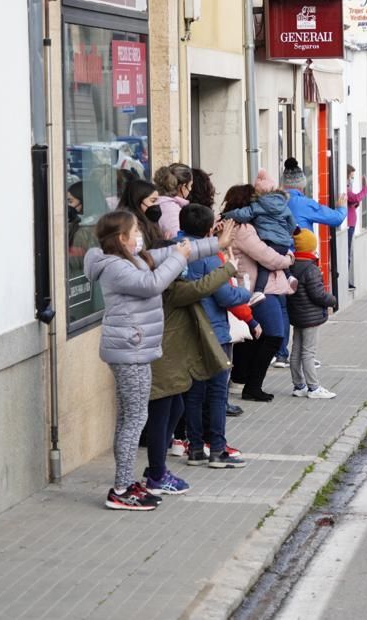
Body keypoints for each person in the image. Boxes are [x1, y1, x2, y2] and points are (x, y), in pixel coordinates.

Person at [83, 209, 220, 511]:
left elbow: (172, 251)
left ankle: (125, 482)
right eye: (135, 232)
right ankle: (121, 488)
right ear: (121, 238)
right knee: (135, 420)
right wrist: (180, 258)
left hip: (136, 348)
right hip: (130, 351)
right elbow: (153, 284)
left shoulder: (131, 260)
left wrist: (216, 244)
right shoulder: (116, 267)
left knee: (129, 419)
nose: (140, 237)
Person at [145, 220, 239, 495]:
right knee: (162, 417)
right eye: (179, 259)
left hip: (171, 362)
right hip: (165, 363)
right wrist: (228, 268)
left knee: (175, 410)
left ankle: (158, 469)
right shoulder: (171, 290)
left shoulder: (168, 286)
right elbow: (201, 287)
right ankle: (156, 472)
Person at [178, 204, 251, 469]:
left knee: (195, 392)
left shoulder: (175, 248)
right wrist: (246, 295)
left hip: (187, 330)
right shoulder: (210, 256)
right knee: (218, 393)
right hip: (215, 331)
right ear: (210, 228)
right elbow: (225, 295)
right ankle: (218, 450)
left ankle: (195, 448)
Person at [221, 184, 295, 403]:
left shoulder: (233, 224)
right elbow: (266, 256)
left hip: (249, 286)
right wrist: (288, 259)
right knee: (274, 335)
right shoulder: (242, 229)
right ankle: (251, 385)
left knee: (254, 336)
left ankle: (242, 380)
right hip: (253, 288)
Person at [275, 158, 346, 367]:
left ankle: (281, 353)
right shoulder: (304, 203)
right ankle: (305, 355)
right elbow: (335, 219)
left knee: (283, 306)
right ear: (301, 184)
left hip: (277, 258)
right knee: (305, 307)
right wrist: (342, 208)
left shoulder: (276, 201)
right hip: (301, 260)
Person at [221, 168, 299, 292]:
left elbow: (267, 257)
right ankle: (288, 277)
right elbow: (292, 224)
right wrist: (286, 239)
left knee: (265, 266)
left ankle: (259, 290)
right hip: (282, 247)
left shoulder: (253, 212)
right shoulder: (283, 206)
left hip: (257, 284)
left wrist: (226, 215)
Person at [286, 229, 338, 399]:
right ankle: (314, 388)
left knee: (296, 351)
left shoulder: (291, 265)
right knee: (308, 353)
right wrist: (332, 300)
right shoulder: (311, 268)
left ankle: (298, 385)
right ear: (310, 247)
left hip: (296, 314)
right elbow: (318, 294)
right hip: (310, 316)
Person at [117, 179, 165, 250]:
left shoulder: (147, 219)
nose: (156, 205)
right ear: (138, 200)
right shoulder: (129, 224)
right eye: (153, 201)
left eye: (157, 201)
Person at [153, 163, 195, 240]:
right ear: (182, 187)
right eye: (190, 186)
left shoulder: (162, 202)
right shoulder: (171, 210)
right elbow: (178, 240)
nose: (191, 189)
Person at [346, 164, 367, 289]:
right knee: (347, 254)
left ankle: (346, 279)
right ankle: (345, 280)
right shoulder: (344, 188)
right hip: (348, 224)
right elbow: (355, 197)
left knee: (348, 253)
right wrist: (366, 188)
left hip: (351, 223)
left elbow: (353, 201)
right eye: (351, 176)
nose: (352, 179)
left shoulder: (347, 188)